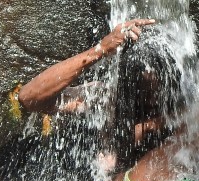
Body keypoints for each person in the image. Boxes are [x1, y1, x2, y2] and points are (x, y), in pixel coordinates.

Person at [16, 18, 156, 114]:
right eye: (138, 69)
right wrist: (101, 49)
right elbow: (29, 97)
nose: (144, 73)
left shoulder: (175, 122)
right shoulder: (108, 96)